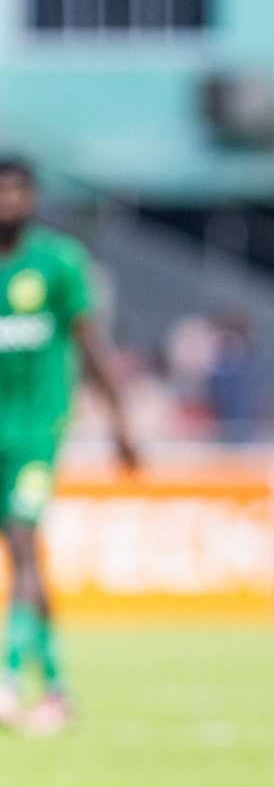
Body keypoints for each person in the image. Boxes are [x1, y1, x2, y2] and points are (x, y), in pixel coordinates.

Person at [0, 156, 137, 735]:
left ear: (34, 197)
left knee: (25, 542)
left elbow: (91, 344)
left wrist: (120, 420)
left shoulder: (58, 262)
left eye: (19, 189)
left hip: (36, 432)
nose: (10, 199)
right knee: (22, 554)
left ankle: (7, 678)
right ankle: (57, 687)